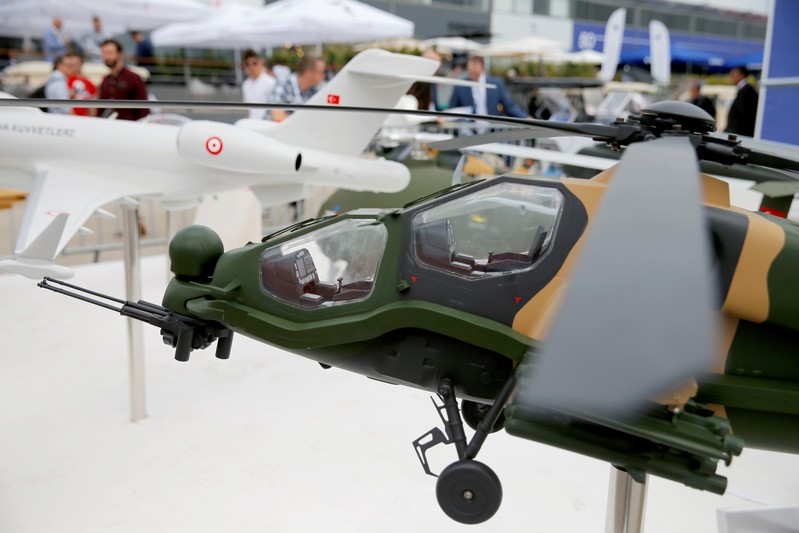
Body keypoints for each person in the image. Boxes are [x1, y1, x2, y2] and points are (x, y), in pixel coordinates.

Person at [448, 55, 527, 118]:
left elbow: (509, 105)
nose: (472, 68)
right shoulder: (461, 85)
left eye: (475, 65)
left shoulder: (495, 84)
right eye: (471, 65)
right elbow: (453, 109)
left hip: (491, 130)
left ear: (482, 68)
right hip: (468, 131)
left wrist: (525, 118)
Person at [98, 39, 149, 121]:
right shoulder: (105, 80)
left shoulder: (134, 79)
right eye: (104, 53)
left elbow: (143, 111)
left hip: (130, 127)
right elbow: (100, 109)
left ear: (120, 54)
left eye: (110, 53)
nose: (106, 57)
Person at [267, 54, 326, 122]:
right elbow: (277, 117)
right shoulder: (283, 86)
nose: (323, 75)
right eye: (320, 72)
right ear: (308, 73)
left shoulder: (315, 90)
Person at [241, 49, 276, 120]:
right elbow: (248, 110)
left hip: (266, 122)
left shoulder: (270, 82)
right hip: (251, 123)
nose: (251, 67)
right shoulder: (245, 85)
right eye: (248, 64)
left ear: (260, 62)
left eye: (254, 63)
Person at [725, 66, 758, 137]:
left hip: (740, 134)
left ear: (741, 75)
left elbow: (744, 115)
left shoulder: (746, 90)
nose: (731, 77)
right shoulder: (745, 89)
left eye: (733, 74)